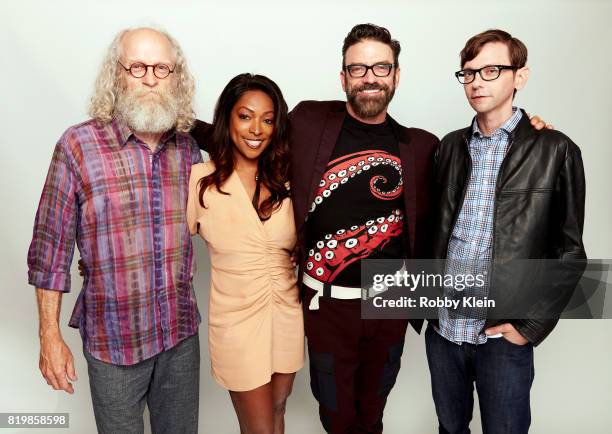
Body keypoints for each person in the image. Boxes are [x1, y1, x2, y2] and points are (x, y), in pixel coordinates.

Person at [27, 27, 202, 434]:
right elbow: (49, 252)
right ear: (116, 74)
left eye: (162, 68)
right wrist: (49, 337)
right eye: (137, 66)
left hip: (179, 336)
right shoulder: (78, 145)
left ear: (176, 78)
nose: (150, 78)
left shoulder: (189, 150)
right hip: (112, 341)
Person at [426, 29, 586, 434]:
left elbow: (570, 253)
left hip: (502, 335)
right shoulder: (448, 148)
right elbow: (434, 228)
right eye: (469, 73)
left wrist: (530, 326)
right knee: (450, 429)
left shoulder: (556, 150)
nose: (477, 81)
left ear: (520, 76)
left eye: (492, 70)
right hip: (445, 330)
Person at [187, 73, 303, 434]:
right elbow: (160, 241)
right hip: (236, 323)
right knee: (260, 428)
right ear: (227, 119)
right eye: (245, 116)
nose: (257, 129)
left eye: (268, 119)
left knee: (278, 410)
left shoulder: (289, 180)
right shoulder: (200, 181)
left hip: (287, 312)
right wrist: (96, 260)